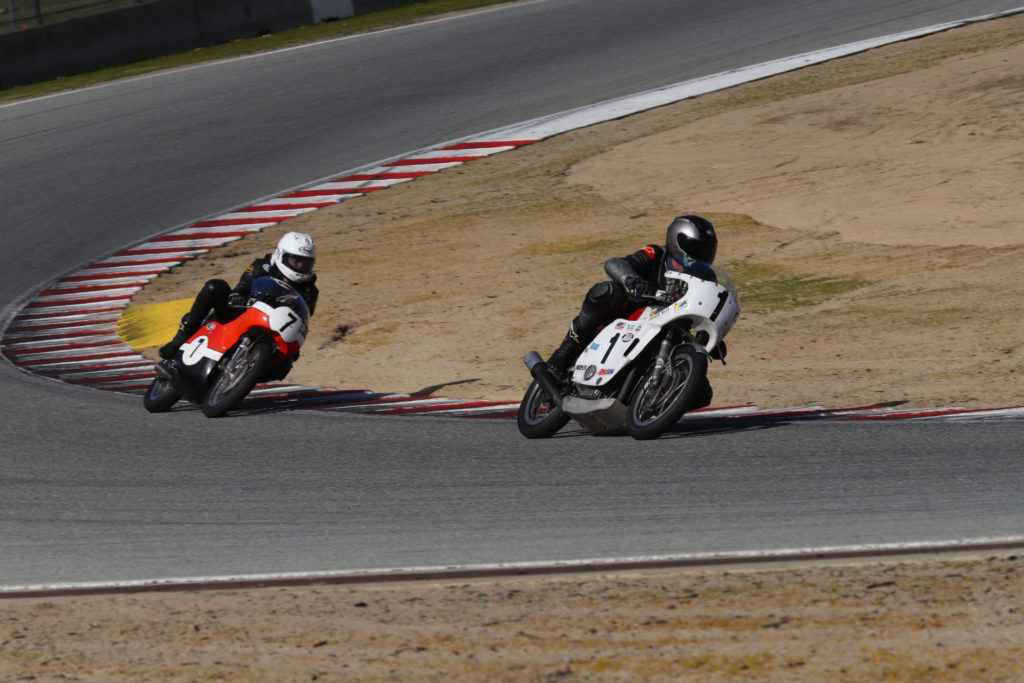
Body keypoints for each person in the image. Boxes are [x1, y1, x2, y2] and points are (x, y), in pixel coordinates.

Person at [546, 215, 725, 383]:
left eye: (707, 251)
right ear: (677, 242)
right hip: (629, 318)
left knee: (702, 394)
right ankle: (564, 353)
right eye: (697, 249)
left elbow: (707, 310)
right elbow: (615, 263)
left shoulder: (707, 278)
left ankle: (653, 398)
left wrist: (710, 336)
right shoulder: (656, 254)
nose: (702, 256)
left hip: (670, 332)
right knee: (607, 292)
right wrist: (632, 280)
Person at [158, 231, 319, 361]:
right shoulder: (262, 265)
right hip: (239, 313)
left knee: (285, 364)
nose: (300, 266)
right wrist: (237, 295)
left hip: (272, 332)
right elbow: (243, 284)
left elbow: (303, 320)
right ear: (280, 254)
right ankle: (180, 340)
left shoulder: (310, 291)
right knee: (215, 287)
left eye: (306, 263)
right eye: (296, 261)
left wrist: (295, 345)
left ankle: (243, 376)